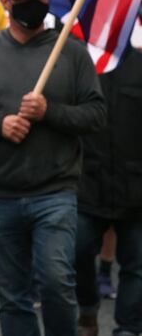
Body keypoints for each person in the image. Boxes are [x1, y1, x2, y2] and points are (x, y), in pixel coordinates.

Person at [0, 0, 106, 336]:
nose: (32, 6)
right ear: (6, 3)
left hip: (55, 191)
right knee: (12, 295)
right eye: (24, 0)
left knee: (56, 282)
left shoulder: (71, 52)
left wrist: (50, 112)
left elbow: (97, 114)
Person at [74, 48, 142, 336]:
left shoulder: (139, 65)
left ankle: (128, 327)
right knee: (76, 253)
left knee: (137, 267)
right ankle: (88, 310)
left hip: (136, 189)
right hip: (88, 185)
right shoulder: (80, 66)